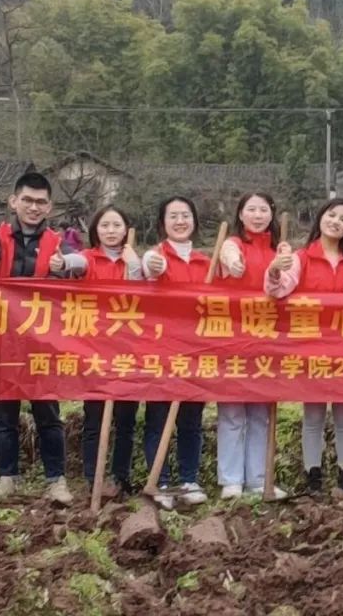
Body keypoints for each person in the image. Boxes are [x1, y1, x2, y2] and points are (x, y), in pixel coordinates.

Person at [0, 172, 74, 505]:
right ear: (13, 201)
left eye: (41, 202)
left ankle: (56, 480)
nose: (33, 207)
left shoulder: (58, 243)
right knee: (3, 415)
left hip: (43, 343)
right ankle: (6, 479)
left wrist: (66, 266)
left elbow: (77, 266)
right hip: (2, 343)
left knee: (49, 415)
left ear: (50, 207)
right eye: (27, 200)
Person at [266, 197, 343, 494]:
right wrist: (274, 270)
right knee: (313, 416)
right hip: (311, 349)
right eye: (332, 215)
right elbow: (278, 290)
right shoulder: (301, 258)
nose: (336, 222)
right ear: (320, 217)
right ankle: (313, 477)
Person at [52, 205, 142, 497]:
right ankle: (94, 477)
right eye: (105, 225)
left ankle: (121, 477)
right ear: (95, 230)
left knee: (126, 421)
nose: (111, 231)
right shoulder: (88, 258)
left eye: (117, 225)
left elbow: (145, 293)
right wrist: (60, 262)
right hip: (94, 354)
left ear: (126, 229)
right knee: (94, 418)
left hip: (128, 353)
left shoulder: (135, 261)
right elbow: (72, 263)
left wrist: (134, 266)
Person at [216, 192, 287, 499]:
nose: (258, 215)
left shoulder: (278, 250)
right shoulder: (232, 244)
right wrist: (234, 263)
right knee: (232, 410)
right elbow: (229, 256)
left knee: (261, 412)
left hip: (268, 339)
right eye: (252, 209)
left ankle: (258, 479)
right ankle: (231, 479)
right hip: (233, 337)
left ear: (272, 214)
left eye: (264, 210)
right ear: (241, 214)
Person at [141, 196, 210, 508]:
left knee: (191, 419)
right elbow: (148, 269)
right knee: (157, 418)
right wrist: (151, 266)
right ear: (163, 222)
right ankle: (160, 481)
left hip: (196, 352)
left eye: (186, 215)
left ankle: (189, 478)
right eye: (173, 216)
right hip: (161, 351)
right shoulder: (156, 257)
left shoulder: (205, 264)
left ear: (194, 220)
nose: (180, 221)